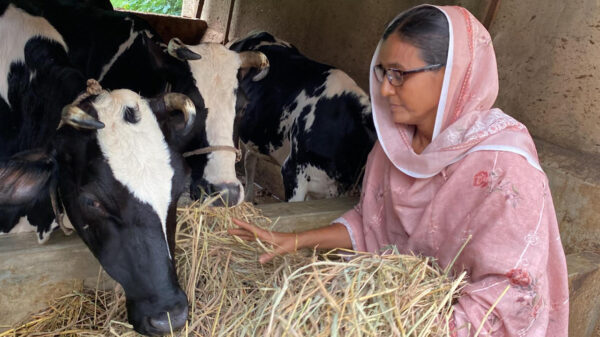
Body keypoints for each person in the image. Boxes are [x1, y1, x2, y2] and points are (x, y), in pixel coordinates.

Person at [228, 5, 569, 336]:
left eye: (399, 74)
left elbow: (510, 301)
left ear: (453, 73)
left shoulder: (505, 169)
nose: (386, 88)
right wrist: (294, 240)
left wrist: (401, 324)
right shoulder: (394, 146)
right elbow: (371, 228)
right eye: (382, 72)